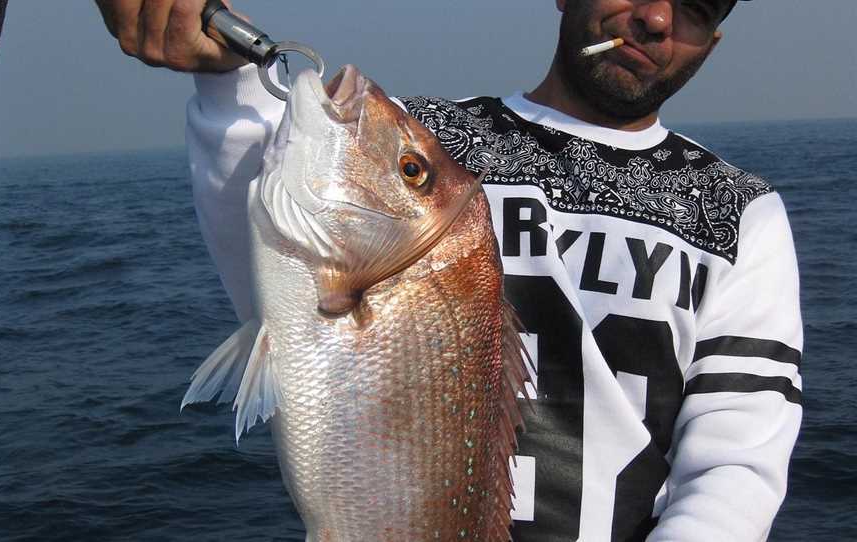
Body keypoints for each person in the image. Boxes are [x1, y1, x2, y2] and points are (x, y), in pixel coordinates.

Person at [95, 0, 803, 540]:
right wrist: (227, 86)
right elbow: (281, 272)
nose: (654, 18)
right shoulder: (431, 146)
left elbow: (735, 462)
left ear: (710, 44)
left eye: (698, 8)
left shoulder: (740, 211)